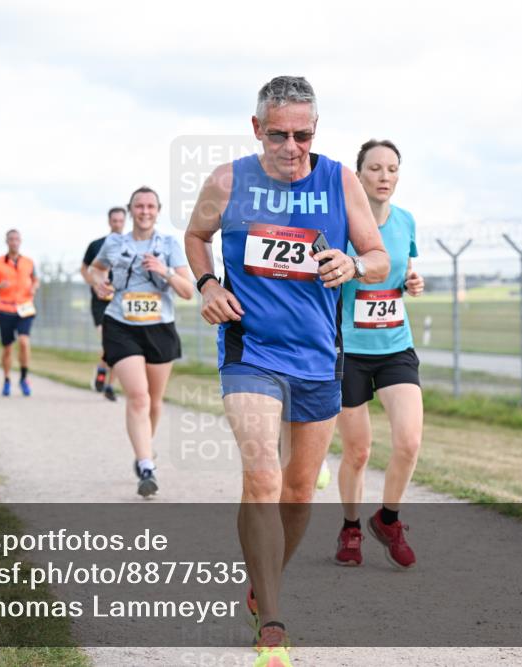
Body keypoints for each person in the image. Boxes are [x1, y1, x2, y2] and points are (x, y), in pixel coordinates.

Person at [183, 76, 389, 666]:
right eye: (279, 134)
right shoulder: (228, 180)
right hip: (250, 350)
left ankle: (262, 580)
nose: (292, 146)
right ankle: (271, 621)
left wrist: (352, 263)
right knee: (264, 477)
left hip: (319, 356)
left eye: (303, 134)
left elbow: (377, 259)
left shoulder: (339, 180)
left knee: (299, 491)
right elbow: (197, 236)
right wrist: (206, 284)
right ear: (257, 129)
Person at [331, 139, 425, 570]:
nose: (384, 177)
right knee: (359, 453)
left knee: (408, 441)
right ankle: (351, 527)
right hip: (350, 350)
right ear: (359, 174)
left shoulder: (406, 221)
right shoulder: (340, 223)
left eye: (391, 169)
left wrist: (411, 282)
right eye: (374, 169)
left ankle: (388, 519)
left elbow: (401, 270)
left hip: (394, 346)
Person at [88, 186, 194, 497]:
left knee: (154, 401)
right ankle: (147, 464)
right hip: (120, 325)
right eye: (139, 206)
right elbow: (95, 270)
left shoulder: (169, 244)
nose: (144, 211)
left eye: (150, 206)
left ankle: (143, 448)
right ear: (131, 210)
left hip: (159, 328)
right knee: (138, 396)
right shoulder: (114, 242)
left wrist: (164, 272)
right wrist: (98, 285)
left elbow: (188, 291)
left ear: (158, 210)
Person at [81, 207, 127, 400]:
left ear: (125, 222)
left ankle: (109, 385)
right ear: (109, 222)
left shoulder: (130, 244)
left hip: (122, 300)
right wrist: (95, 284)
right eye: (114, 220)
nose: (117, 224)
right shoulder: (96, 245)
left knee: (120, 343)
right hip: (101, 302)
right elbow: (84, 269)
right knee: (109, 340)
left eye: (120, 221)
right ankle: (102, 370)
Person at [0, 229, 39, 397]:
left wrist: (34, 287)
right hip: (5, 309)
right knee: (8, 348)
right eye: (11, 239)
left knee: (24, 342)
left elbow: (36, 279)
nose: (14, 242)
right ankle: (7, 379)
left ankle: (24, 377)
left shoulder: (29, 262)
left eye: (16, 239)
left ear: (20, 241)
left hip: (25, 307)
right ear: (7, 241)